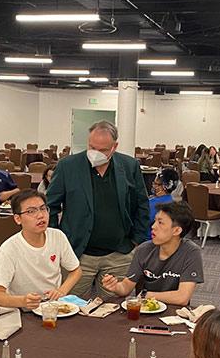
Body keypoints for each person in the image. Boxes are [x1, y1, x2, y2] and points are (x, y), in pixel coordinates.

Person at [46, 120, 150, 299]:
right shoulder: (67, 166)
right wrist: (57, 240)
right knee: (70, 306)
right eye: (92, 147)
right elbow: (50, 206)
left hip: (118, 254)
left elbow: (142, 204)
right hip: (78, 254)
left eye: (102, 150)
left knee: (111, 311)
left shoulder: (129, 166)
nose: (95, 154)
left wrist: (136, 240)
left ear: (114, 147)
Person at [0, 189, 81, 309]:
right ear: (18, 219)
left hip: (52, 306)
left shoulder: (57, 236)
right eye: (31, 211)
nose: (40, 215)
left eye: (43, 209)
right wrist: (23, 301)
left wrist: (61, 291)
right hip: (21, 309)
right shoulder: (9, 248)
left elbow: (76, 270)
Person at [101, 201, 203, 306]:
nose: (153, 226)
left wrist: (146, 294)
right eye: (154, 221)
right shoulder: (144, 249)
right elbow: (126, 288)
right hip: (146, 310)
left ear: (176, 230)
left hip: (175, 312)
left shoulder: (191, 252)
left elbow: (182, 298)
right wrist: (115, 287)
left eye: (160, 222)